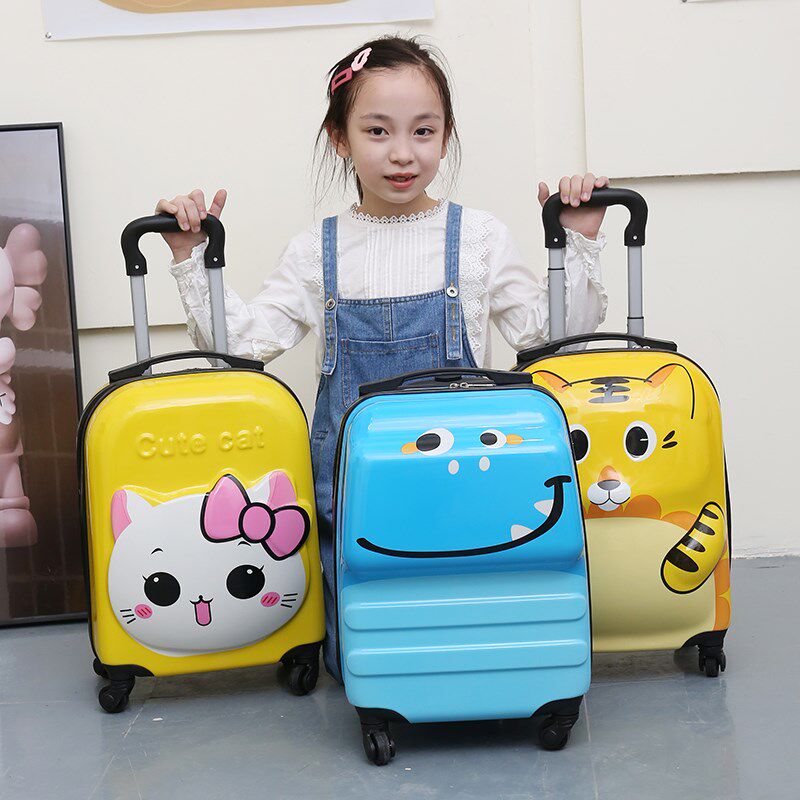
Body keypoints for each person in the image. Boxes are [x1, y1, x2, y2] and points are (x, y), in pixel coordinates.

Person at [155, 35, 609, 682]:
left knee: (468, 631)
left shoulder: (478, 238)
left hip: (467, 479)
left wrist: (580, 239)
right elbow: (243, 345)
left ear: (446, 137)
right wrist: (190, 254)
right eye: (377, 131)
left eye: (424, 131)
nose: (403, 153)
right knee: (369, 650)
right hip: (356, 494)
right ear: (339, 138)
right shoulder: (317, 250)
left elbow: (550, 337)